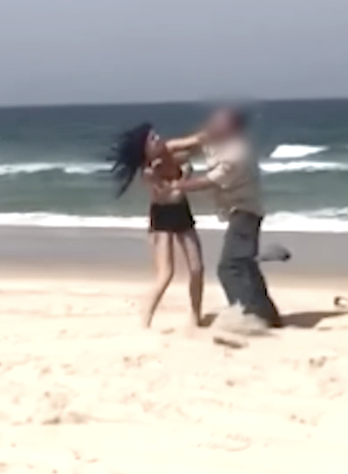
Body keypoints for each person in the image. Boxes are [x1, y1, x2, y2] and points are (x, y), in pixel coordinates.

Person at [168, 108, 283, 327]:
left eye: (217, 122)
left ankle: (246, 316)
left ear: (231, 128)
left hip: (246, 211)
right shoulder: (215, 139)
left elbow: (210, 180)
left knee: (230, 267)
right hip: (235, 211)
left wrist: (178, 186)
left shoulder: (237, 153)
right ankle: (268, 316)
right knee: (245, 265)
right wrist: (165, 153)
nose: (211, 124)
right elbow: (186, 148)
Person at [108, 122, 204, 328]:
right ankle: (145, 320)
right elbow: (172, 196)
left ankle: (195, 317)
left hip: (182, 212)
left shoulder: (169, 148)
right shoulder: (149, 172)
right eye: (152, 138)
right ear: (145, 149)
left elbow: (195, 140)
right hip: (162, 216)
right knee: (166, 274)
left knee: (196, 268)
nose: (158, 138)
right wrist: (186, 175)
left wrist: (216, 132)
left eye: (156, 134)